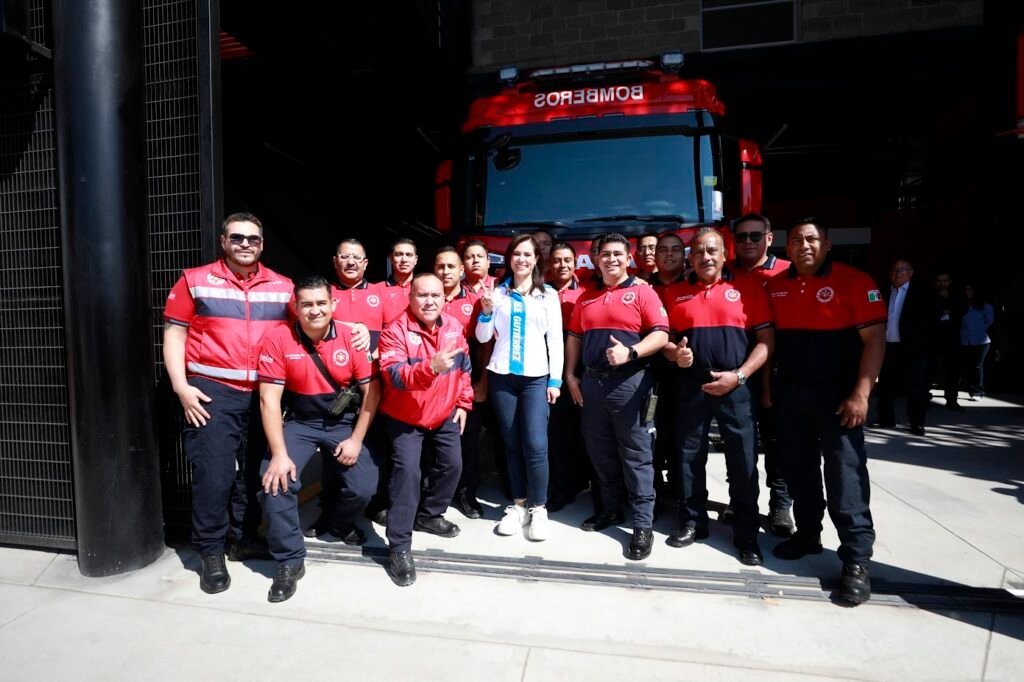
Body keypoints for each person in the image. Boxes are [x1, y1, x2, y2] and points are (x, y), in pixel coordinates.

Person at [163, 212, 293, 594]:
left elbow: (312, 323)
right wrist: (181, 387)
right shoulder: (195, 281)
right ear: (223, 241)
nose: (245, 244)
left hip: (264, 394)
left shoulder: (283, 287)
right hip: (212, 392)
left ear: (262, 244)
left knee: (254, 474)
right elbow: (174, 335)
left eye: (253, 239)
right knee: (214, 475)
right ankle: (211, 551)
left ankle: (244, 537)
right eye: (237, 238)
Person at [766, 217, 886, 605]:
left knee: (844, 476)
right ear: (787, 249)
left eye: (812, 239)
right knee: (799, 469)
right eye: (797, 239)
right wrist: (771, 391)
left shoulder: (856, 281)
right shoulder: (776, 287)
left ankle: (855, 559)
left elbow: (875, 341)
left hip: (840, 397)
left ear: (828, 245)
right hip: (792, 395)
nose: (804, 245)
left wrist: (861, 395)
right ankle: (807, 534)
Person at [257, 276, 379, 602]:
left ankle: (335, 524)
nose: (315, 310)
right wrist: (280, 454)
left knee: (363, 486)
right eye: (307, 304)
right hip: (301, 421)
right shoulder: (278, 338)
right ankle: (290, 559)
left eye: (321, 303)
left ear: (332, 304)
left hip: (342, 423)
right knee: (274, 479)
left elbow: (371, 393)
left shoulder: (352, 338)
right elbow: (269, 399)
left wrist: (355, 440)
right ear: (295, 307)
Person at [659, 228, 773, 566]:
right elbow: (665, 340)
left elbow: (766, 342)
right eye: (699, 251)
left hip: (736, 385)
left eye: (713, 250)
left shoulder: (748, 288)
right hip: (691, 386)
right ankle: (694, 522)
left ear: (725, 255)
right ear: (690, 258)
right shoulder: (675, 292)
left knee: (742, 460)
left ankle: (746, 533)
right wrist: (673, 355)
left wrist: (739, 376)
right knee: (689, 457)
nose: (706, 257)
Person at [565, 234, 669, 561]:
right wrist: (570, 374)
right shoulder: (586, 298)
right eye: (605, 254)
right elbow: (575, 338)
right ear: (596, 259)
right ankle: (610, 510)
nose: (610, 259)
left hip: (632, 384)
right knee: (600, 452)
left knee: (637, 455)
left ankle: (642, 524)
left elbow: (661, 333)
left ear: (628, 259)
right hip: (594, 385)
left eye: (617, 254)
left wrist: (632, 352)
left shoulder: (643, 292)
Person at [378, 273, 473, 586]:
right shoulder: (394, 331)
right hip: (405, 416)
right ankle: (400, 546)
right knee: (407, 474)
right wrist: (430, 367)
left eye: (436, 295)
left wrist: (462, 403)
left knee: (452, 465)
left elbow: (464, 369)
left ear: (444, 297)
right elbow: (393, 375)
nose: (430, 301)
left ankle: (430, 515)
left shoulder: (454, 327)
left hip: (444, 412)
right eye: (422, 295)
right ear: (410, 298)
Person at [476, 235, 564, 540]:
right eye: (517, 254)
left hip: (535, 379)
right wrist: (486, 311)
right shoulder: (496, 293)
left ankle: (539, 508)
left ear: (537, 259)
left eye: (528, 254)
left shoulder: (548, 295)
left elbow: (555, 341)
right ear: (510, 258)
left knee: (536, 446)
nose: (522, 259)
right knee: (511, 444)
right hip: (502, 377)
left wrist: (555, 380)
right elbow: (484, 336)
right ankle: (517, 505)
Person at [304, 239, 379, 537]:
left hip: (371, 390)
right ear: (335, 261)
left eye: (356, 257)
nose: (350, 262)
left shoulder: (381, 294)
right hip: (330, 393)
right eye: (344, 257)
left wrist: (370, 338)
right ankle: (329, 513)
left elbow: (397, 330)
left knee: (369, 463)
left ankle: (367, 508)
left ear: (366, 262)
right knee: (331, 460)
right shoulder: (322, 293)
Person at [730, 213, 793, 536]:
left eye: (756, 236)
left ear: (769, 238)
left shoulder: (787, 272)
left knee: (777, 440)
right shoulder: (725, 273)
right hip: (737, 369)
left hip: (780, 369)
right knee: (739, 442)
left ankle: (780, 504)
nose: (749, 242)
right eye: (742, 237)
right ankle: (737, 499)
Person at [435, 247, 486, 519]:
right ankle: (435, 494)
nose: (445, 272)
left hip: (468, 376)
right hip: (432, 378)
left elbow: (486, 345)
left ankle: (466, 493)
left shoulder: (477, 301)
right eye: (440, 266)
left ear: (461, 270)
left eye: (451, 267)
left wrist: (482, 381)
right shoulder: (428, 298)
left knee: (468, 438)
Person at [545, 242, 593, 512]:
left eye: (567, 260)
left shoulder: (586, 293)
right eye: (557, 260)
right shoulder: (541, 292)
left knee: (584, 430)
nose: (562, 265)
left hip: (581, 365)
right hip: (550, 366)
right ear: (550, 264)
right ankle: (561, 488)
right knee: (558, 431)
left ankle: (582, 481)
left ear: (576, 264)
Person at [876, 259, 935, 435]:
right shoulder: (883, 291)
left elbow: (931, 319)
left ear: (911, 273)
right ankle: (886, 419)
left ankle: (917, 422)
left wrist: (922, 342)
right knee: (885, 385)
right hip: (888, 346)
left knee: (916, 387)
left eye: (901, 270)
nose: (896, 274)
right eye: (893, 270)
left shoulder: (922, 293)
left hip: (913, 347)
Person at [932, 271, 963, 410]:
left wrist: (948, 300)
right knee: (929, 369)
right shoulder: (931, 295)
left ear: (950, 281)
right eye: (939, 281)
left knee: (952, 370)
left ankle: (952, 400)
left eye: (944, 281)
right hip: (933, 336)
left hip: (952, 337)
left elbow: (961, 310)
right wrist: (942, 308)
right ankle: (924, 398)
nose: (942, 284)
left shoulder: (956, 295)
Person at [960, 284, 994, 401]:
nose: (967, 291)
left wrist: (977, 329)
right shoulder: (962, 306)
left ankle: (978, 391)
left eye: (970, 289)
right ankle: (970, 388)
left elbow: (989, 322)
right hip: (965, 340)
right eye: (965, 289)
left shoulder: (985, 307)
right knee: (968, 366)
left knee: (977, 366)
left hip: (981, 341)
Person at [382, 237, 418, 325]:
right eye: (399, 254)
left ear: (416, 259)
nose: (404, 260)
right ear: (390, 258)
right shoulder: (377, 290)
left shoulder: (426, 289)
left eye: (409, 255)